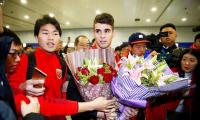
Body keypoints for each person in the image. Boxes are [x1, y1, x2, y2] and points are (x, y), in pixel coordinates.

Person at [7, 15, 115, 119]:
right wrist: (92, 106)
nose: (50, 38)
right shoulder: (25, 61)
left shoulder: (62, 63)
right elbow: (14, 97)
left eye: (55, 33)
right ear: (36, 36)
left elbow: (63, 96)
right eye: (45, 33)